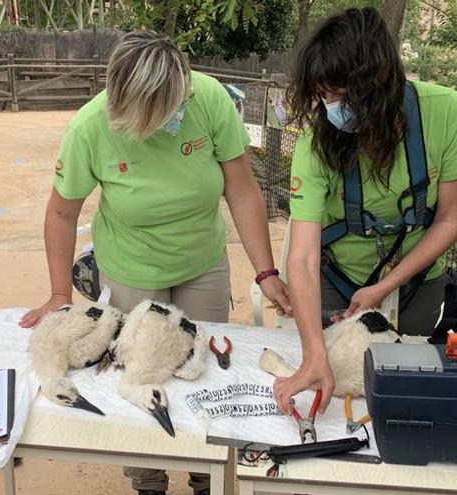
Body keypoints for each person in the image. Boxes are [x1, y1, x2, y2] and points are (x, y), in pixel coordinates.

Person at [20, 31, 290, 495]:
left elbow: (241, 188)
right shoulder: (90, 128)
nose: (175, 115)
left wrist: (266, 272)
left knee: (201, 369)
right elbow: (63, 212)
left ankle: (205, 475)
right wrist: (59, 296)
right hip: (130, 269)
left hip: (201, 261)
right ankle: (148, 480)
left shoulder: (209, 101)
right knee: (137, 372)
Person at [272, 8, 457, 414]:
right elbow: (301, 256)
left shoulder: (447, 113)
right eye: (322, 96)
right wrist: (313, 352)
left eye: (339, 95)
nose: (330, 107)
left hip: (415, 271)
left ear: (380, 79)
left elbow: (450, 218)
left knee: (411, 385)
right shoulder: (316, 139)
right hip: (336, 273)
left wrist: (387, 287)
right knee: (334, 380)